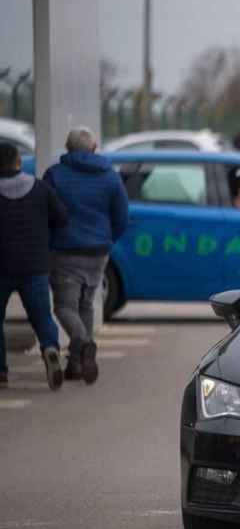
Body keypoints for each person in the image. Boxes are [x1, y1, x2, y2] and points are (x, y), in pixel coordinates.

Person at [43, 127, 129, 383]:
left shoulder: (54, 175)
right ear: (94, 148)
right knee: (85, 304)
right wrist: (108, 239)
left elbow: (46, 214)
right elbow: (122, 216)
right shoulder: (110, 176)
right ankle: (77, 364)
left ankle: (81, 343)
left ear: (68, 148)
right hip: (98, 250)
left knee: (63, 307)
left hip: (65, 250)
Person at [0, 142, 68, 390]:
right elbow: (62, 218)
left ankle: (1, 372)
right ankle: (50, 348)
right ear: (18, 161)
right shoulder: (40, 188)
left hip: (2, 267)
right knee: (41, 316)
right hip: (35, 265)